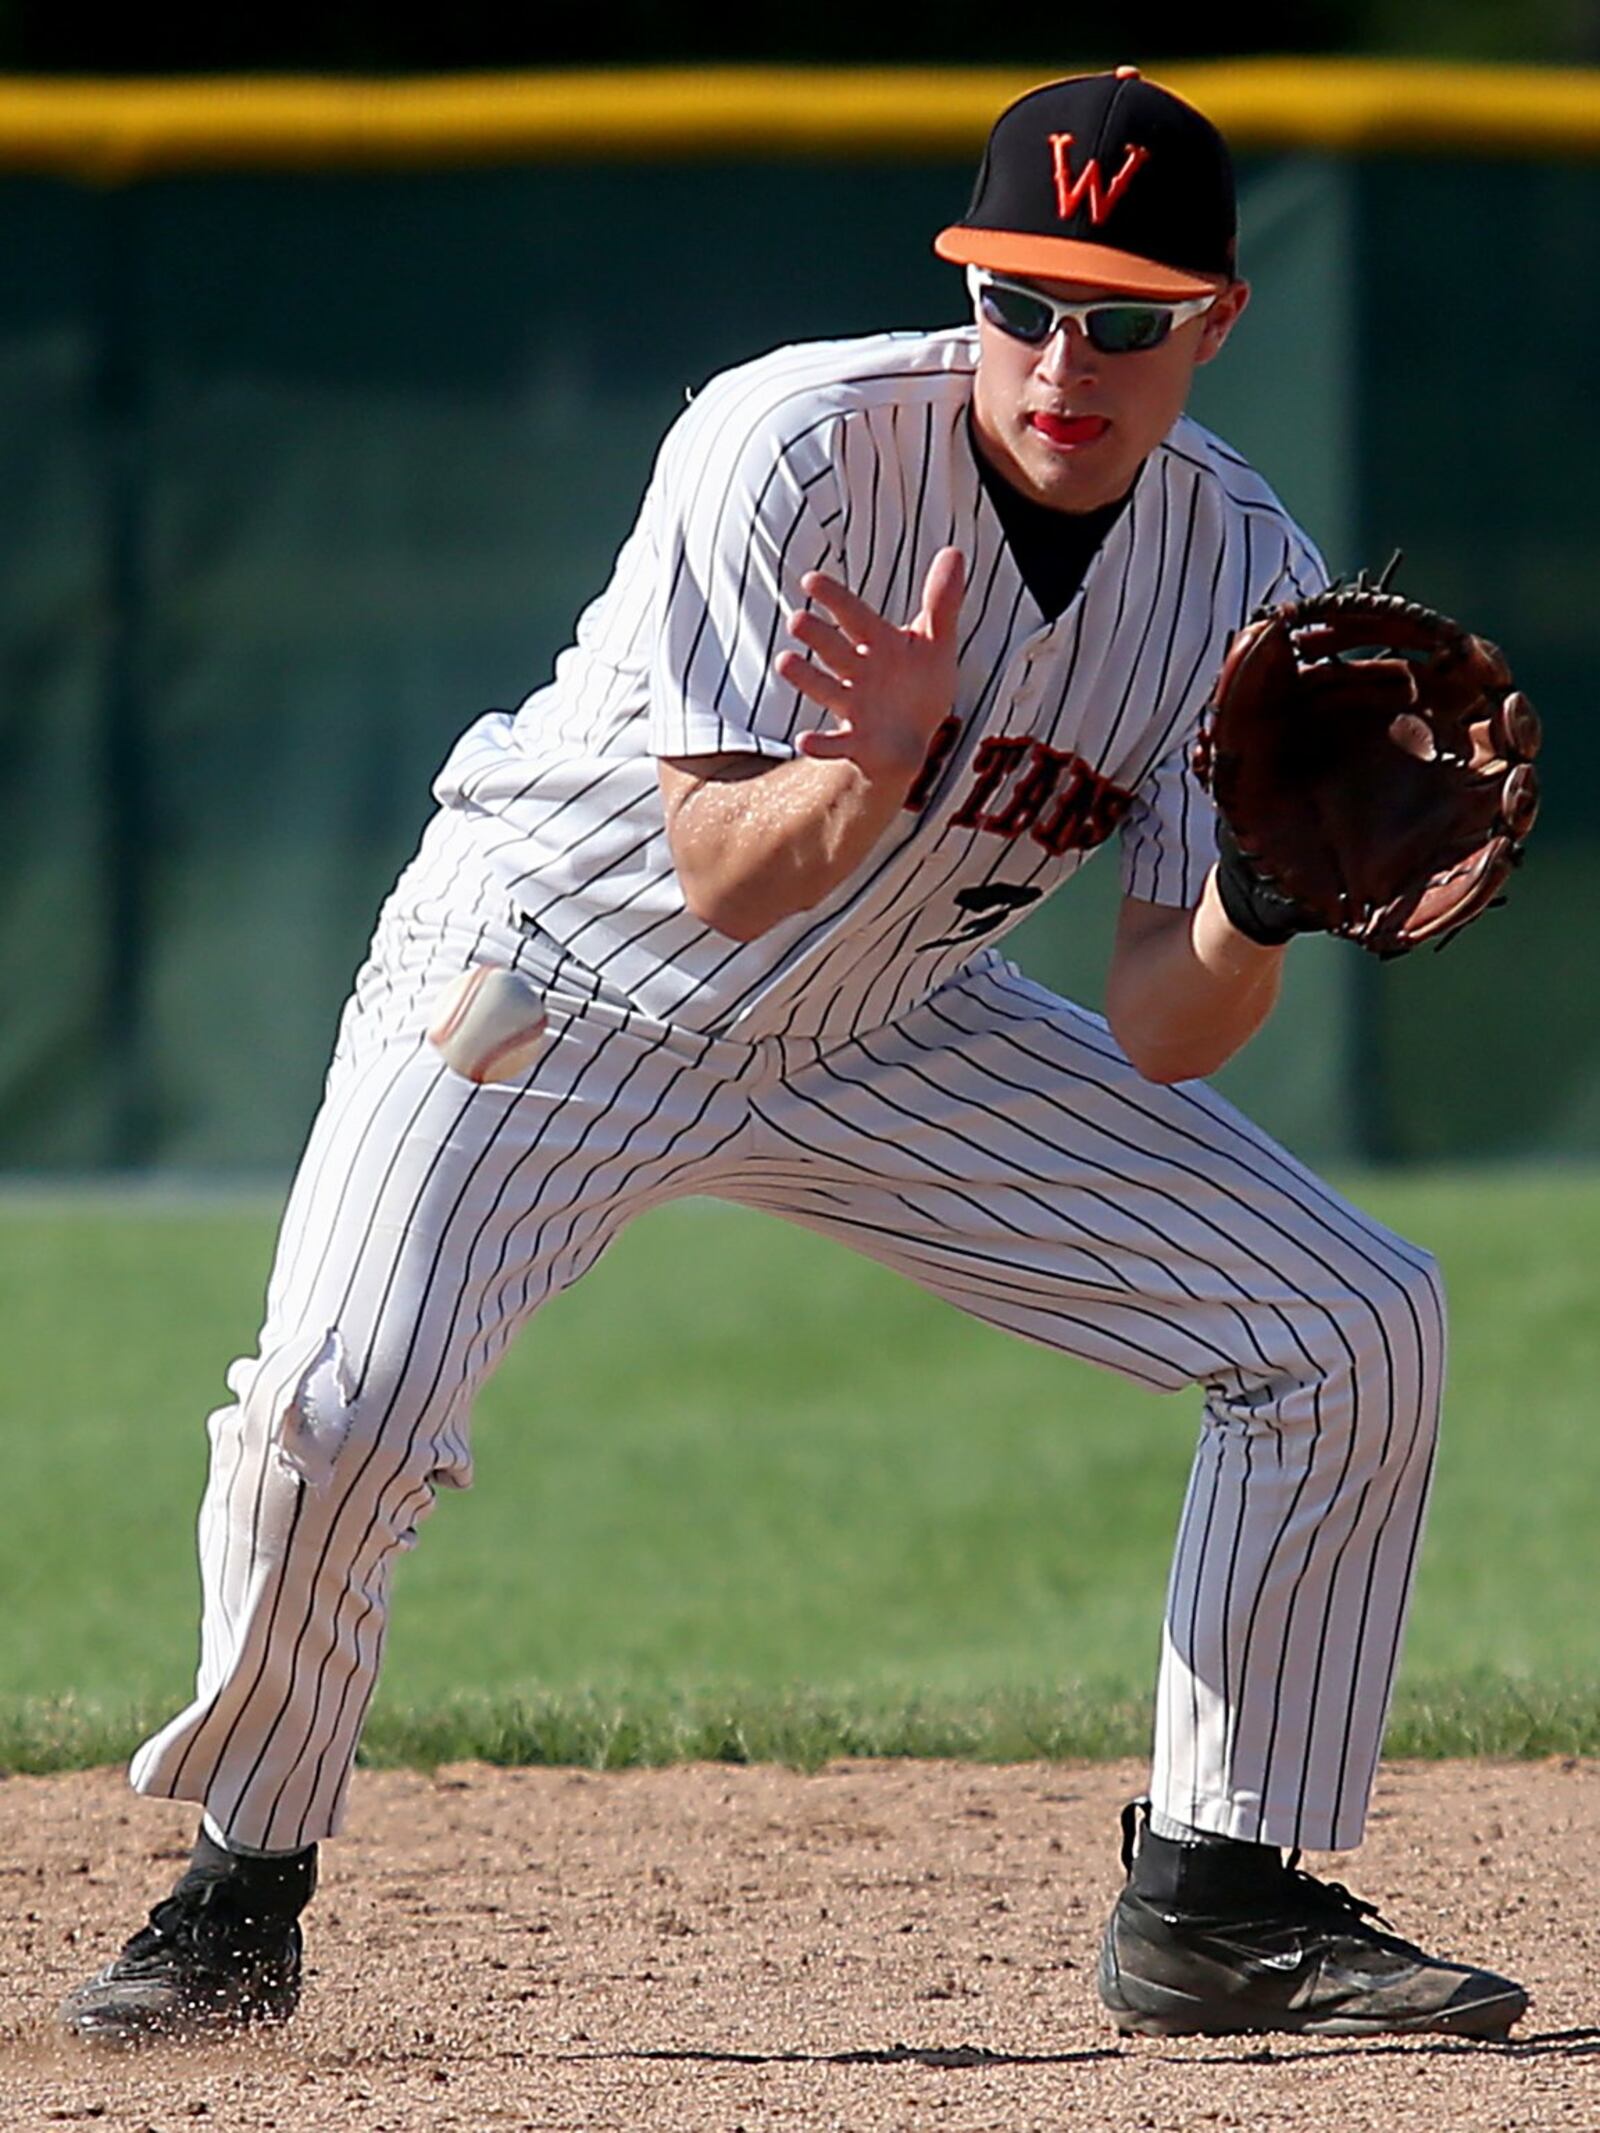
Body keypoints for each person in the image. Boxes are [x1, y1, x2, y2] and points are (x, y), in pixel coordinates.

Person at [60, 68, 1527, 2046]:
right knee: (337, 1407)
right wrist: (871, 765)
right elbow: (721, 871)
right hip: (551, 986)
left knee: (1347, 1320)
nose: (1058, 359)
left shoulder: (1235, 572)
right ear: (966, 292)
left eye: (1118, 316)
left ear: (1214, 318)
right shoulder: (797, 444)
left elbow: (1163, 1035)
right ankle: (241, 1878)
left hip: (889, 1022)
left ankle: (1218, 1895)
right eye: (1019, 303)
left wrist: (1256, 905)